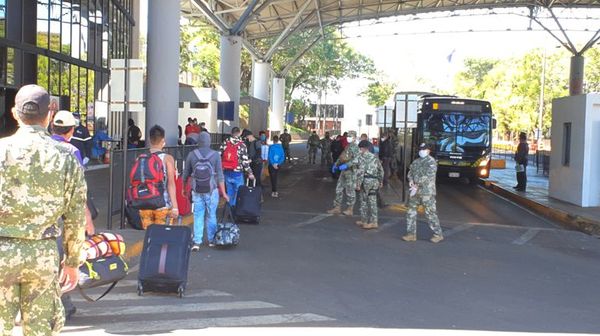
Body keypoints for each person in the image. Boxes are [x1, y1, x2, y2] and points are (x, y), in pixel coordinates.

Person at [0, 84, 87, 335]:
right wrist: (72, 262)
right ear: (49, 114)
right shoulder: (66, 155)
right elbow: (75, 214)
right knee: (40, 328)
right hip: (43, 253)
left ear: (15, 114)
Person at [50, 110, 96, 320]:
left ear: (52, 128)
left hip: (40, 215)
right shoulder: (71, 150)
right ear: (71, 131)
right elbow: (79, 192)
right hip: (62, 214)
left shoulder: (43, 146)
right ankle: (63, 304)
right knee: (63, 259)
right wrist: (87, 219)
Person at [183, 132, 229, 251]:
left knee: (198, 214)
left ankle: (197, 241)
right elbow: (220, 175)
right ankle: (211, 240)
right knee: (211, 214)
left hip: (196, 189)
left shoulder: (192, 155)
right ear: (209, 141)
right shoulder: (215, 155)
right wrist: (224, 193)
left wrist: (184, 189)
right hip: (211, 190)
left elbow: (186, 174)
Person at [138, 125, 179, 229]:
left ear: (149, 139)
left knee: (149, 237)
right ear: (163, 140)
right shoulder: (167, 158)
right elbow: (171, 184)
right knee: (163, 237)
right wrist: (175, 207)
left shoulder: (141, 158)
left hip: (144, 205)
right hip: (162, 205)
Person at [403, 143, 444, 243]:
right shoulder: (416, 161)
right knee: (410, 212)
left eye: (423, 149)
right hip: (415, 191)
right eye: (420, 149)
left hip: (427, 193)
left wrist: (416, 183)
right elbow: (410, 172)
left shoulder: (431, 162)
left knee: (430, 214)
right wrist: (411, 180)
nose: (421, 151)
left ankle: (438, 234)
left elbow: (428, 176)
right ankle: (411, 234)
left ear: (428, 151)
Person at [220, 127, 255, 207]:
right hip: (237, 173)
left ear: (231, 133)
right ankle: (236, 210)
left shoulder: (225, 143)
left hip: (227, 172)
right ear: (239, 133)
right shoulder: (242, 145)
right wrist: (250, 173)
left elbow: (220, 155)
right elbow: (245, 161)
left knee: (229, 192)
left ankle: (231, 210)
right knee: (239, 192)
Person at [328, 131, 360, 216]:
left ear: (354, 138)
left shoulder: (356, 148)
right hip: (344, 171)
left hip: (351, 171)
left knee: (350, 191)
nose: (348, 138)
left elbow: (356, 160)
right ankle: (337, 207)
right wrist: (336, 164)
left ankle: (350, 209)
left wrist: (347, 165)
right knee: (339, 188)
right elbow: (342, 156)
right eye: (348, 136)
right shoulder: (348, 147)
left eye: (350, 136)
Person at [355, 140, 384, 230]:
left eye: (360, 148)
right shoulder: (375, 157)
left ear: (363, 148)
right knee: (372, 201)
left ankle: (364, 220)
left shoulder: (362, 157)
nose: (360, 150)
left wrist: (358, 184)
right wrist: (380, 181)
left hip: (366, 182)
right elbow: (381, 170)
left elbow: (361, 172)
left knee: (364, 201)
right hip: (374, 181)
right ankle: (374, 222)